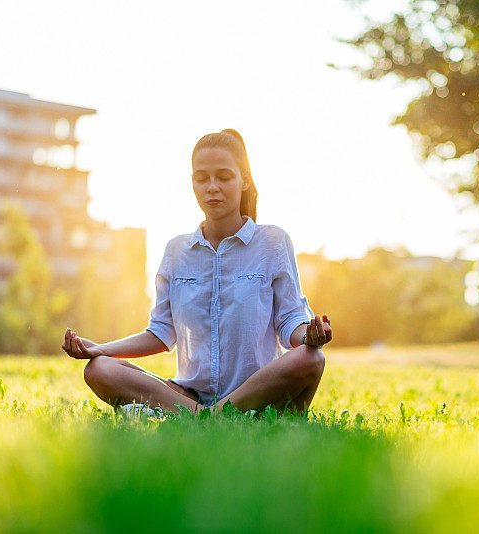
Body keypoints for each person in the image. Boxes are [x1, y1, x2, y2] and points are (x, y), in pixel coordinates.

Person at [61, 128, 331, 416]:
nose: (212, 186)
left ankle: (201, 417)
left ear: (244, 180)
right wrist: (100, 349)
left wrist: (309, 336)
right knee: (99, 368)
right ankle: (211, 416)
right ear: (193, 183)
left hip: (258, 391)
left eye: (224, 177)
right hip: (189, 395)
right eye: (202, 178)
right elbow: (160, 333)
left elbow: (290, 321)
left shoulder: (273, 242)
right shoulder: (176, 251)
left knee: (311, 359)